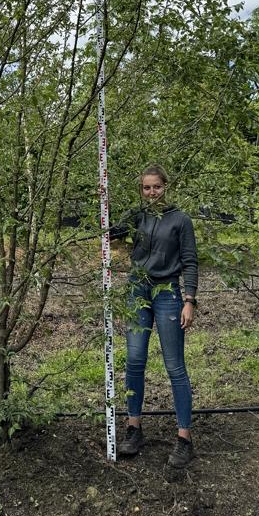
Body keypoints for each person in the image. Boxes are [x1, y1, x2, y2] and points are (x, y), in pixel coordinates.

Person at [113, 164, 198, 468]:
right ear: (141, 190)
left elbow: (189, 262)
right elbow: (109, 233)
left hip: (167, 293)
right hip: (137, 292)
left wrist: (189, 301)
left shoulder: (180, 220)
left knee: (175, 365)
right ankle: (133, 429)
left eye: (156, 187)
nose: (151, 193)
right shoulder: (137, 217)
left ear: (166, 187)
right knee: (135, 360)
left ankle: (184, 438)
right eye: (146, 188)